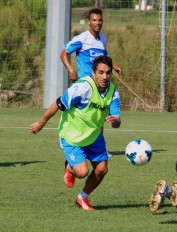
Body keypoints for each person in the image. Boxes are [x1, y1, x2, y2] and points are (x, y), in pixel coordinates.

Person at [29, 56, 121, 211]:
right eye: (101, 72)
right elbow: (59, 103)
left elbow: (117, 121)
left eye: (108, 73)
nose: (105, 77)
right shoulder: (82, 88)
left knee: (102, 169)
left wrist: (115, 122)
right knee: (82, 172)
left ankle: (82, 198)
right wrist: (41, 122)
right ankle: (69, 167)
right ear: (93, 73)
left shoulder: (113, 92)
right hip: (71, 136)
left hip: (94, 136)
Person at [60, 8, 122, 158]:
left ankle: (97, 148)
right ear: (89, 22)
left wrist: (113, 66)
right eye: (94, 20)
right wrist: (71, 70)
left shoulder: (103, 39)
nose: (97, 23)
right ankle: (75, 146)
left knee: (99, 115)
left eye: (100, 20)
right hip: (85, 84)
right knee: (84, 117)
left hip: (99, 83)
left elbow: (103, 57)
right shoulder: (82, 38)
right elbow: (64, 54)